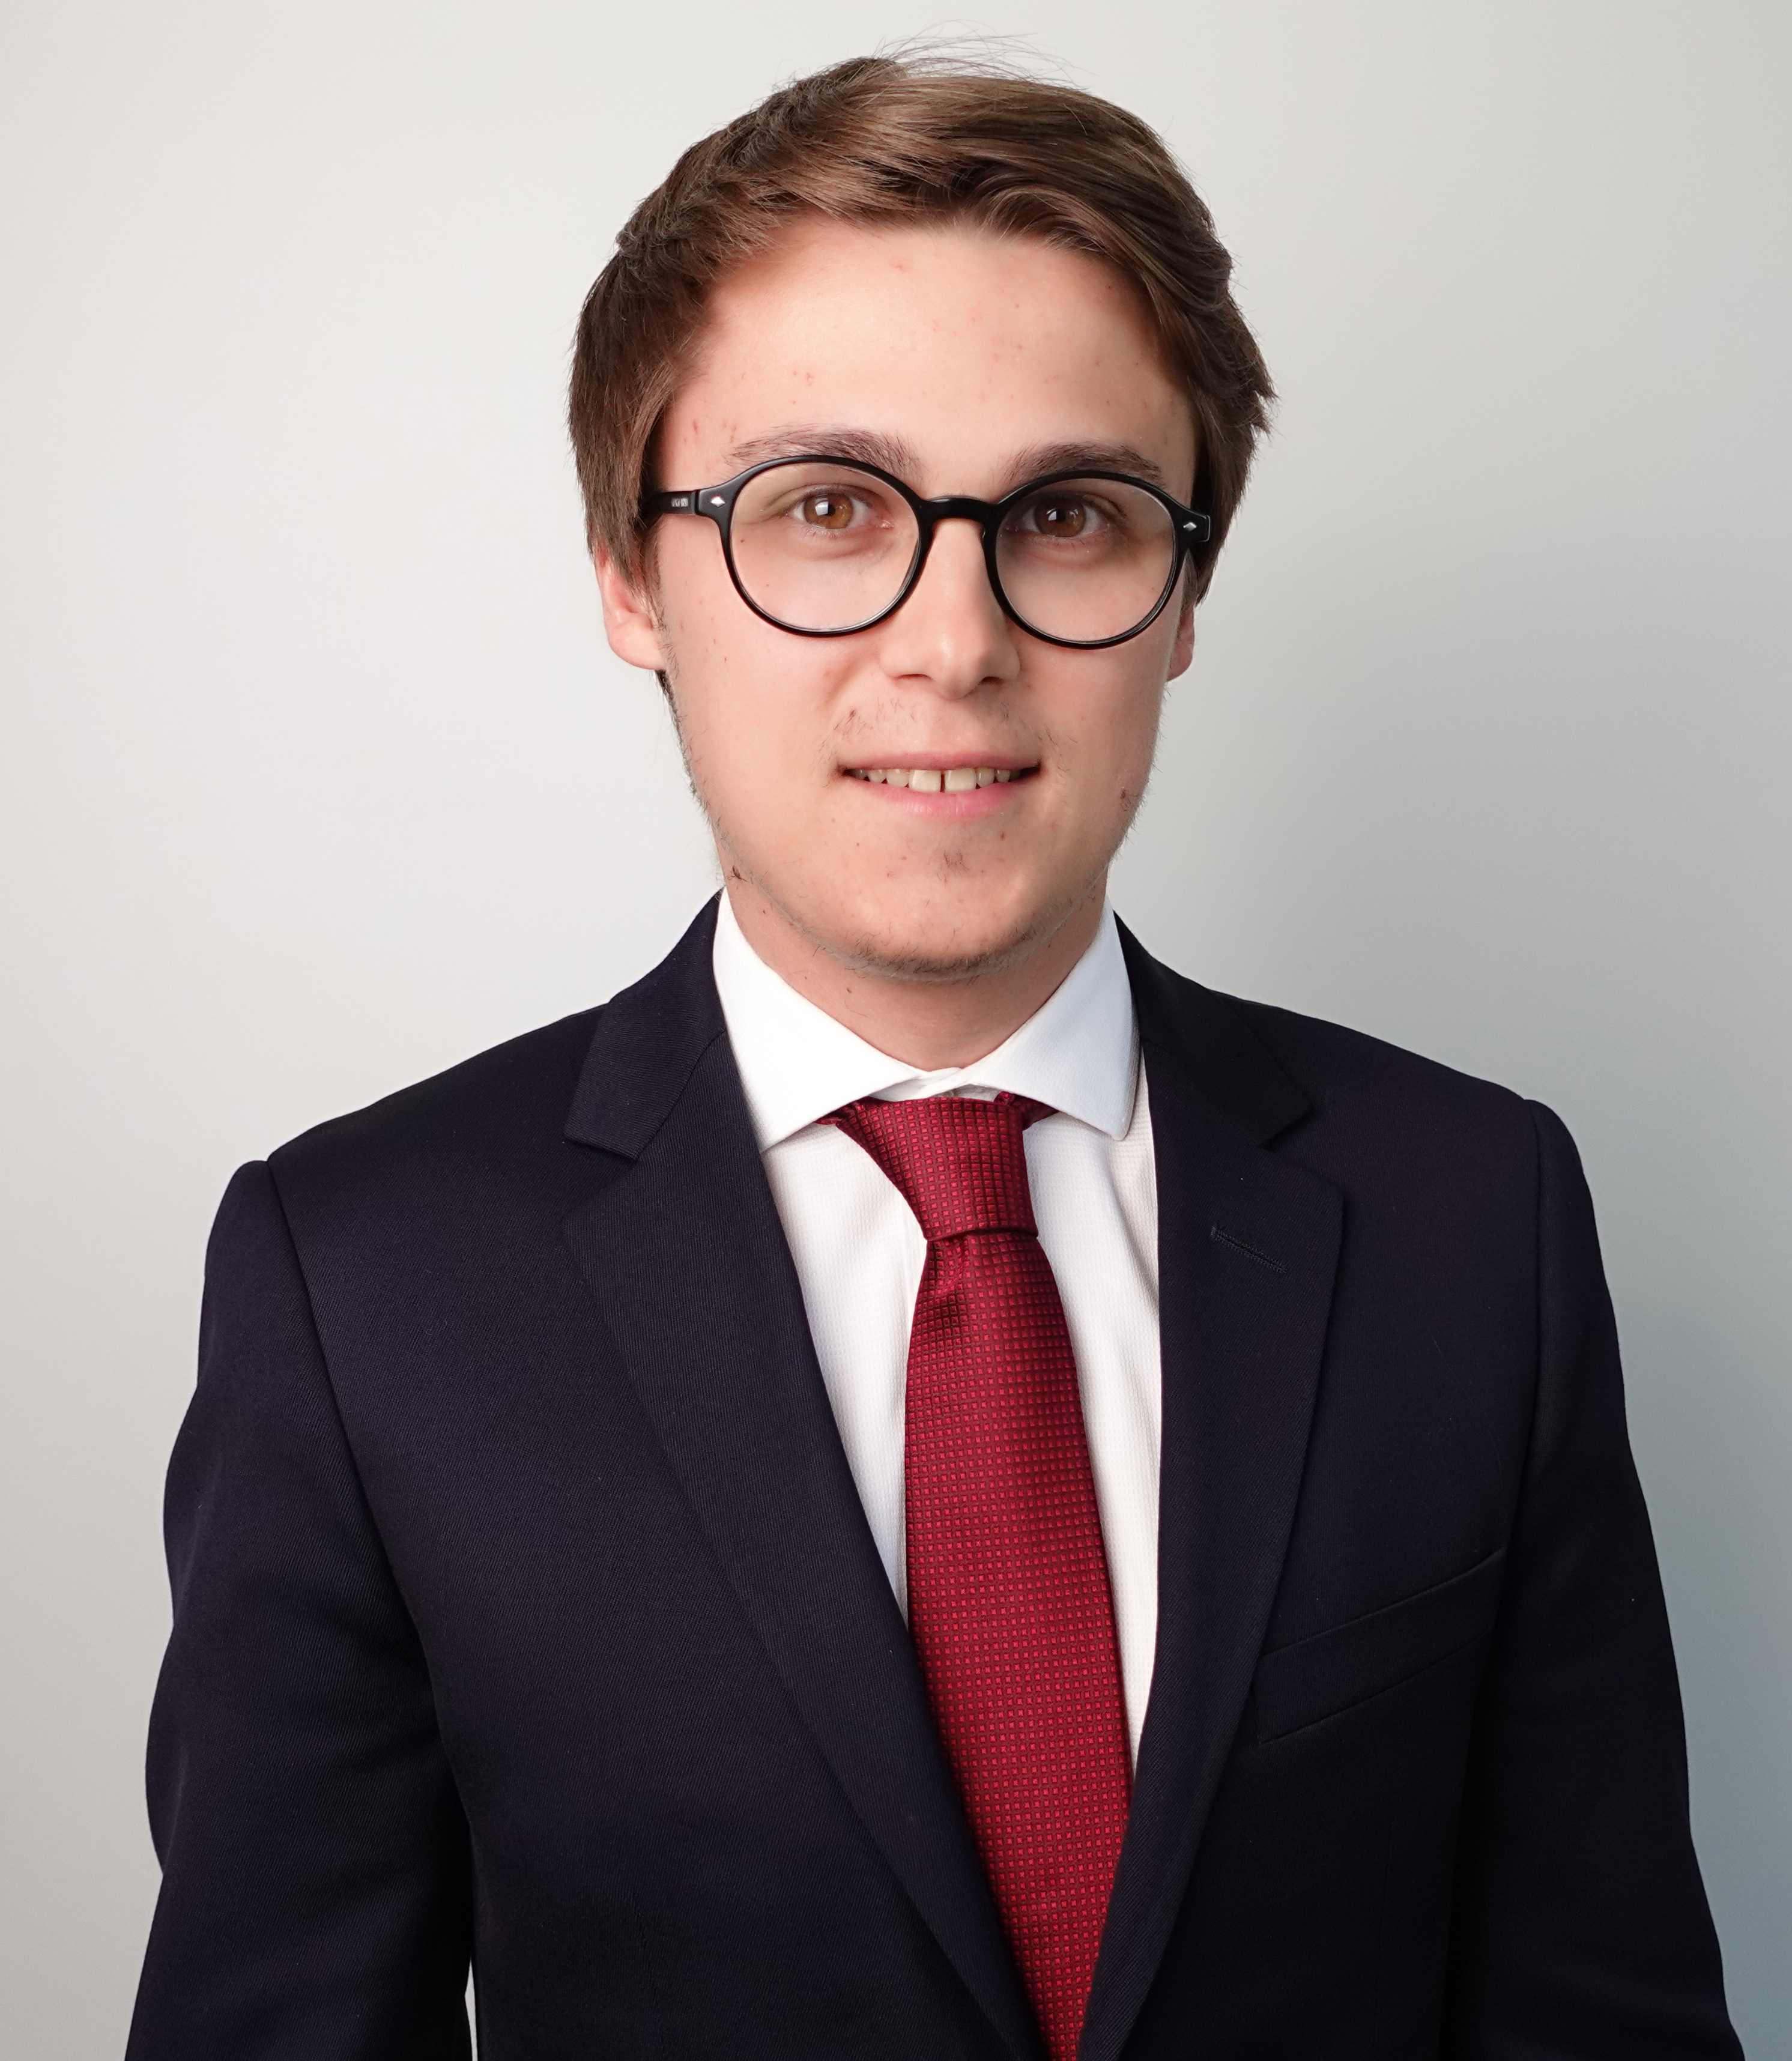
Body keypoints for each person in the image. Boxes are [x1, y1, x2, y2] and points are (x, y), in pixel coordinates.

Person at [125, 52, 1742, 2061]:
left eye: (1067, 515)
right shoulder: (364, 1286)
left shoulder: (1474, 1219)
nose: (955, 639)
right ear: (631, 578)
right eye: (825, 508)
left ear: (1184, 595)